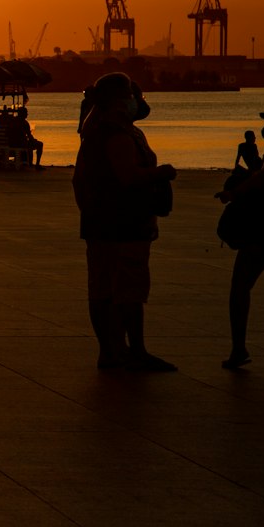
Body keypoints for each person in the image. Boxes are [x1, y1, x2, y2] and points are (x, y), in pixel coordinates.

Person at [73, 72, 177, 372]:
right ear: (122, 101)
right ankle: (130, 351)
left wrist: (89, 212)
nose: (137, 102)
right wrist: (162, 173)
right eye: (133, 96)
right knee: (127, 291)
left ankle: (111, 352)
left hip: (100, 224)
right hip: (124, 225)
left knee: (103, 289)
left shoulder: (94, 133)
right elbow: (127, 175)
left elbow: (77, 182)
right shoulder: (117, 134)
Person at [221, 126, 264, 370]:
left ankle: (239, 347)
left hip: (263, 227)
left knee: (240, 285)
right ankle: (238, 348)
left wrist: (235, 192)